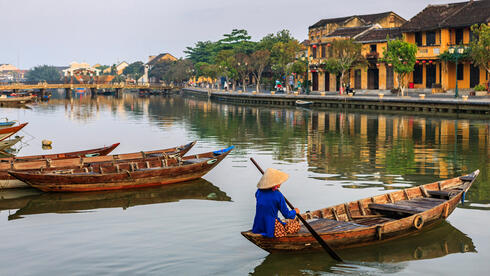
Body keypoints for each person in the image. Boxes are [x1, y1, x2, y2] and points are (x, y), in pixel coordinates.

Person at [252, 168, 301, 238]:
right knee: (296, 225)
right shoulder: (278, 195)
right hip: (270, 227)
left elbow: (263, 201)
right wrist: (295, 211)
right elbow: (287, 215)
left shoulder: (258, 192)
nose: (281, 182)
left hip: (258, 226)